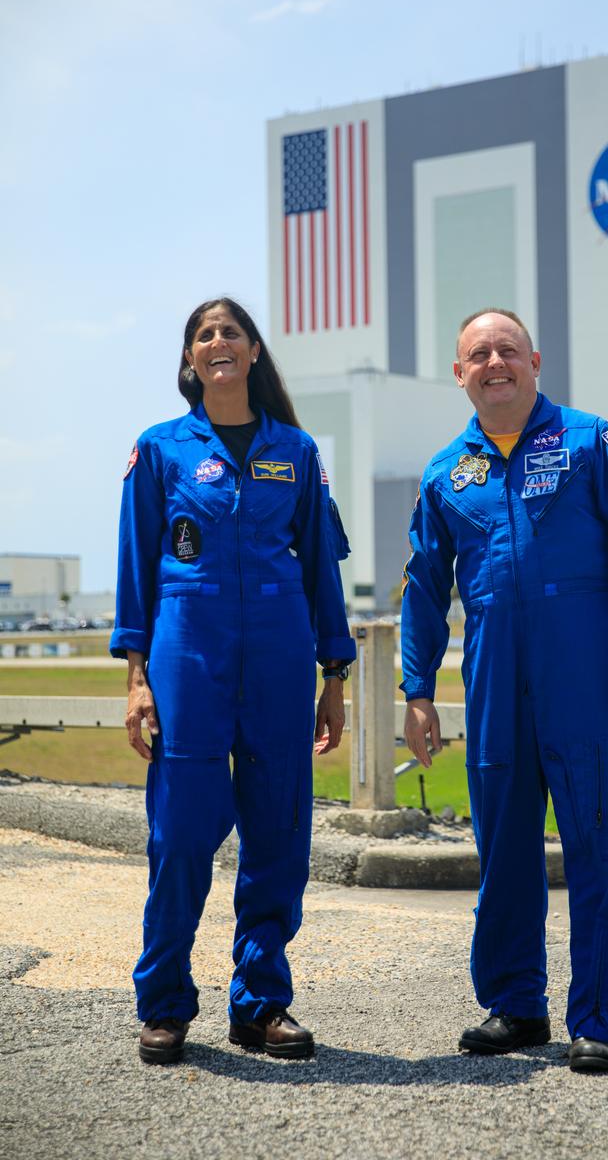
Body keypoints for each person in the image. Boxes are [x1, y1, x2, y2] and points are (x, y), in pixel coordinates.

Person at [401, 309, 608, 1073]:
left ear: (535, 361)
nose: (494, 362)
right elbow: (423, 590)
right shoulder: (446, 472)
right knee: (504, 855)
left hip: (581, 674)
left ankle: (595, 1021)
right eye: (478, 354)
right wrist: (416, 691)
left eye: (507, 350)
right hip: (492, 682)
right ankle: (516, 1007)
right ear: (459, 374)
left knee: (596, 846)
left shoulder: (589, 441)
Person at [110, 297, 355, 1065]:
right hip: (190, 650)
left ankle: (260, 1005)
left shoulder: (297, 451)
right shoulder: (159, 450)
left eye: (230, 333)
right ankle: (165, 1003)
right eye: (203, 335)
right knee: (181, 833)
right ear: (191, 361)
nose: (217, 343)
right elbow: (134, 571)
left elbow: (319, 567)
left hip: (281, 655)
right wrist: (137, 678)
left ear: (252, 353)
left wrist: (334, 674)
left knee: (279, 835)